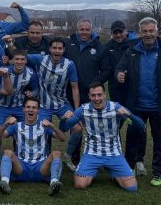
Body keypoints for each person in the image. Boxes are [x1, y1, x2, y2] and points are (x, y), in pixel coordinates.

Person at [116, 17, 161, 186]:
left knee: (159, 141)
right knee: (132, 138)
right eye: (145, 31)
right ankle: (129, 168)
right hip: (136, 106)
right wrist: (119, 74)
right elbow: (119, 67)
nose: (148, 34)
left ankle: (158, 173)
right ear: (140, 33)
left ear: (157, 31)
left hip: (160, 106)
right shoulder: (132, 51)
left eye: (151, 31)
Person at [63, 82, 145, 192]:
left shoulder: (116, 108)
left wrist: (129, 114)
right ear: (89, 96)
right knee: (79, 185)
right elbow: (64, 127)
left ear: (105, 95)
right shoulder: (83, 110)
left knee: (132, 187)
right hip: (92, 154)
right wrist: (63, 119)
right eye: (93, 95)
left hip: (114, 154)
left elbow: (141, 126)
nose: (97, 98)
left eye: (99, 95)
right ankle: (93, 171)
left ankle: (114, 173)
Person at [63, 18, 112, 168]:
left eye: (87, 30)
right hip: (71, 94)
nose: (84, 32)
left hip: (91, 96)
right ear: (77, 30)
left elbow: (107, 70)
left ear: (91, 30)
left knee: (95, 127)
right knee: (76, 126)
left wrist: (95, 85)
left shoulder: (99, 47)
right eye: (81, 29)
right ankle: (74, 158)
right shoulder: (68, 44)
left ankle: (98, 157)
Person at [0, 96, 65, 196]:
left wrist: (52, 126)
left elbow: (62, 138)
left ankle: (54, 183)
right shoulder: (16, 126)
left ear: (38, 110)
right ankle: (4, 182)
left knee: (56, 153)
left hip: (41, 168)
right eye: (28, 107)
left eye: (34, 107)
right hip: (21, 167)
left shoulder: (44, 126)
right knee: (7, 152)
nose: (31, 109)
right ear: (23, 109)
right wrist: (6, 124)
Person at [26, 38, 80, 170]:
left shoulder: (69, 64)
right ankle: (45, 158)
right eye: (54, 48)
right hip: (43, 105)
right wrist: (10, 44)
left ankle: (67, 156)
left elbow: (74, 88)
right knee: (42, 130)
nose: (57, 51)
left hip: (62, 104)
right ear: (49, 49)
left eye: (60, 48)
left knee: (77, 128)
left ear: (63, 50)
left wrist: (77, 112)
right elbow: (21, 56)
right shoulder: (40, 59)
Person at [0, 49, 39, 167]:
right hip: (1, 105)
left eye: (22, 59)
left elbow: (36, 89)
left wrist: (32, 93)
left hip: (19, 106)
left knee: (24, 130)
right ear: (12, 60)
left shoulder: (30, 73)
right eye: (17, 59)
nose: (19, 62)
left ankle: (19, 155)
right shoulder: (3, 70)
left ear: (26, 61)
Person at [104, 20, 131, 105]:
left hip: (131, 87)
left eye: (120, 32)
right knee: (117, 112)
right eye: (115, 32)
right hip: (114, 88)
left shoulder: (132, 46)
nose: (118, 35)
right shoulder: (106, 47)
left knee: (130, 112)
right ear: (112, 34)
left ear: (126, 31)